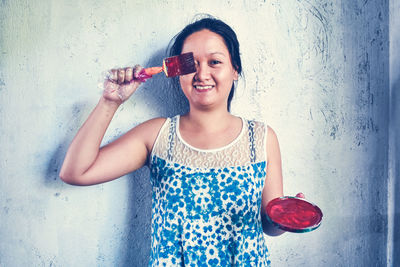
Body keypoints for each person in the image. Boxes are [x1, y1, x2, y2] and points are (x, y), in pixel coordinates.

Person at [60, 16, 293, 266]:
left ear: (235, 69)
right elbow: (76, 172)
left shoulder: (261, 138)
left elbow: (270, 227)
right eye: (191, 64)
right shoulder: (156, 136)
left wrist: (289, 216)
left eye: (215, 62)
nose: (202, 74)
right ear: (177, 72)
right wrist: (110, 101)